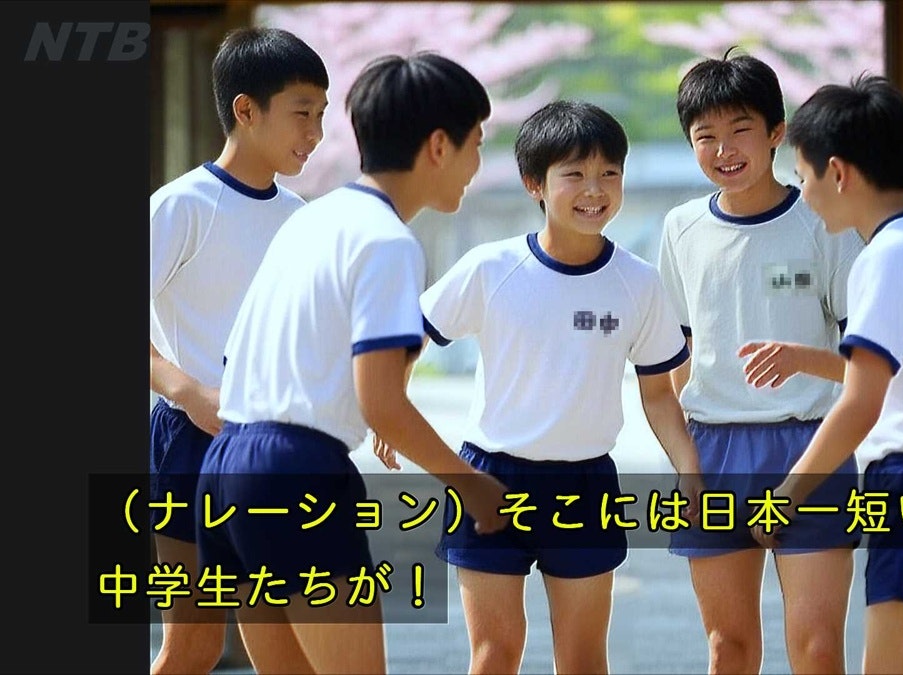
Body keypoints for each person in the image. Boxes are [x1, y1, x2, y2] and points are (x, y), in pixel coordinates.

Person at [195, 52, 511, 675]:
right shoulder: (388, 242)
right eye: (476, 143)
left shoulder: (313, 219)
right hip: (296, 472)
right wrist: (472, 485)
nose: (478, 164)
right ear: (439, 146)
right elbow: (382, 403)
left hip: (227, 467)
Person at [419, 99, 705, 675]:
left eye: (609, 174)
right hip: (489, 477)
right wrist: (388, 409)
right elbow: (410, 336)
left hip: (584, 484)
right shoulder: (490, 268)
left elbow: (658, 395)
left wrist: (690, 471)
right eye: (574, 174)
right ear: (535, 184)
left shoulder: (638, 283)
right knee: (494, 655)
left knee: (582, 661)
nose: (594, 190)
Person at [657, 49, 866, 674]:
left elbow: (866, 361)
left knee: (817, 647)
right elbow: (675, 354)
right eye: (706, 136)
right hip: (714, 452)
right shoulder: (680, 228)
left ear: (777, 132)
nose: (724, 150)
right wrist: (686, 459)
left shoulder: (823, 221)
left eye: (740, 129)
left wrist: (802, 362)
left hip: (811, 444)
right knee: (729, 647)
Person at [743, 73, 903, 674]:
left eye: (803, 175)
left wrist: (785, 498)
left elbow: (863, 403)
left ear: (837, 172)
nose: (803, 193)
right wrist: (807, 359)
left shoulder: (884, 256)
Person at [148, 26, 328, 675]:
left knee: (288, 647)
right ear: (246, 109)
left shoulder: (301, 217)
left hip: (273, 447)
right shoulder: (181, 207)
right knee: (194, 646)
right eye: (302, 113)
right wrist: (188, 391)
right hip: (191, 442)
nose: (315, 133)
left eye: (321, 115)